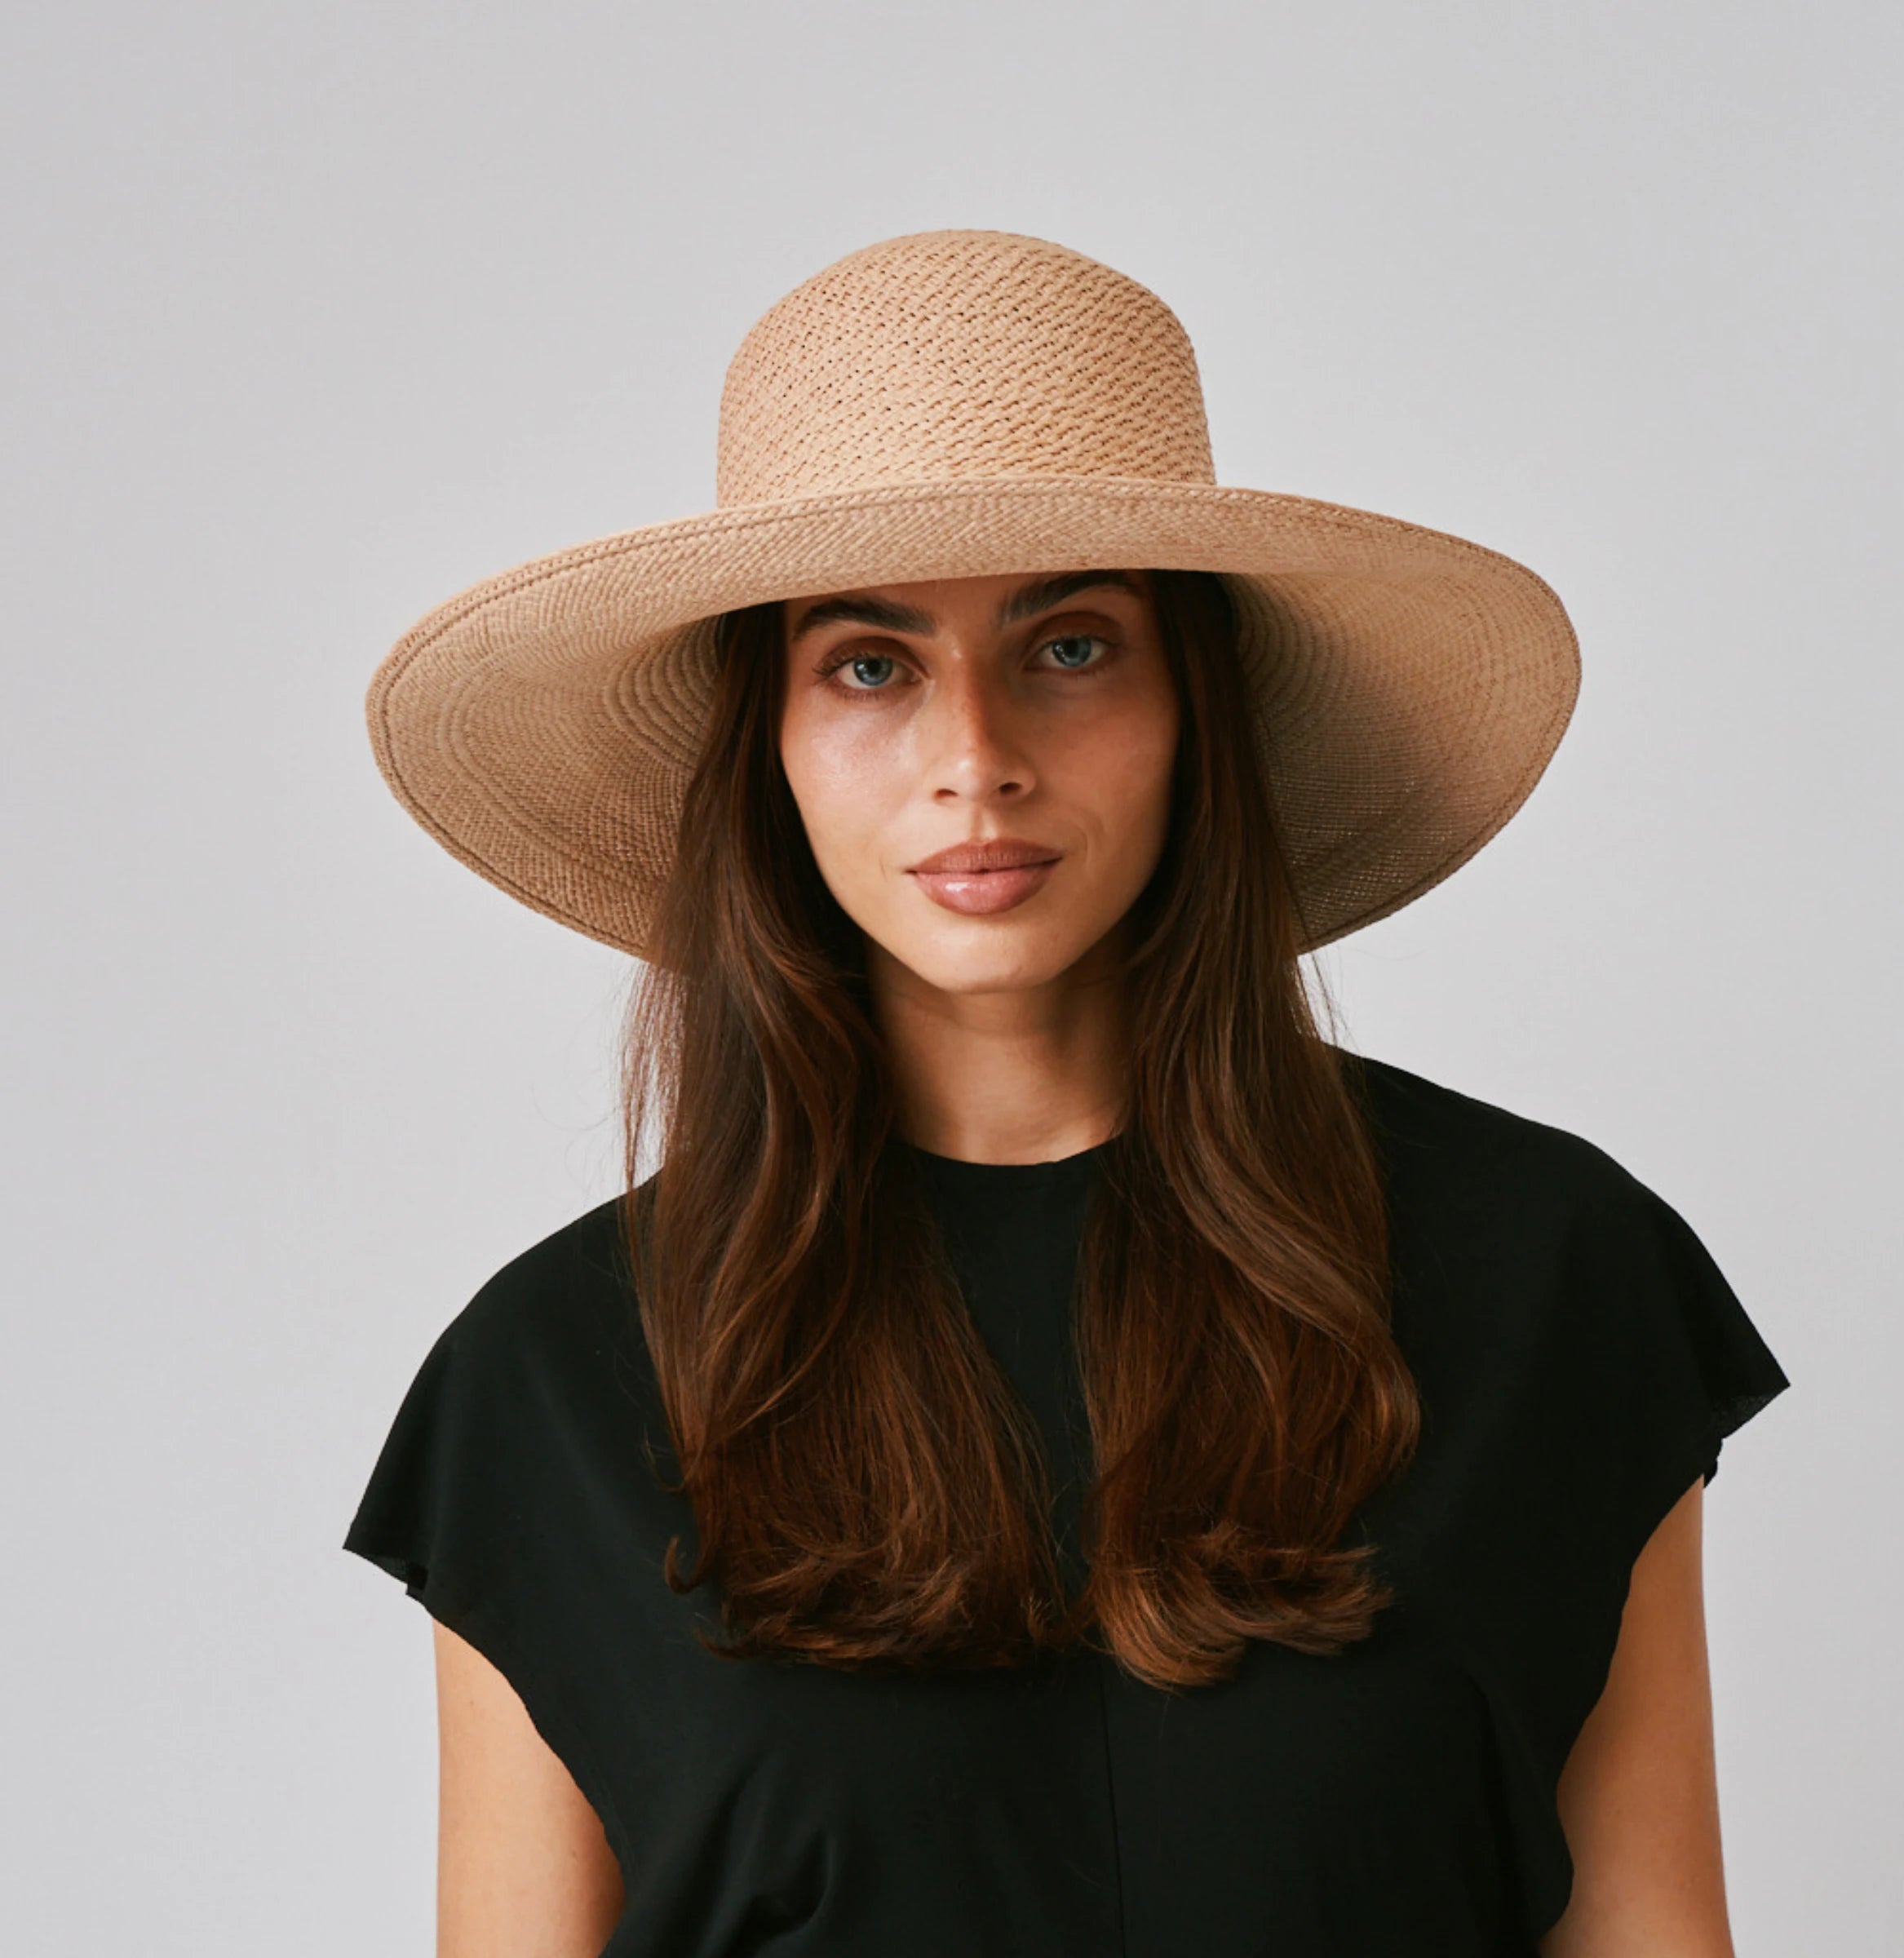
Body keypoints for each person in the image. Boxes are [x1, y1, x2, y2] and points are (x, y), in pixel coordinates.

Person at [347, 231, 1789, 1957]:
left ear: (1197, 701)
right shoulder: (558, 1385)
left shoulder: (1554, 1276)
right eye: (869, 663)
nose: (978, 754)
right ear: (770, 747)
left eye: (1074, 645)